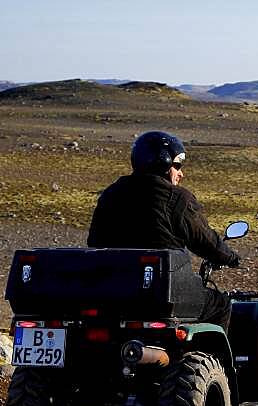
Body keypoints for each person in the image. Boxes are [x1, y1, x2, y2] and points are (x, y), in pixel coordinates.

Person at [88, 131, 240, 329]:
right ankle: (211, 358)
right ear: (163, 163)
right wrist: (230, 257)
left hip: (113, 290)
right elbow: (205, 241)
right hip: (163, 290)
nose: (180, 173)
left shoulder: (111, 193)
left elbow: (94, 241)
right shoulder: (177, 199)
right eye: (177, 165)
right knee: (220, 304)